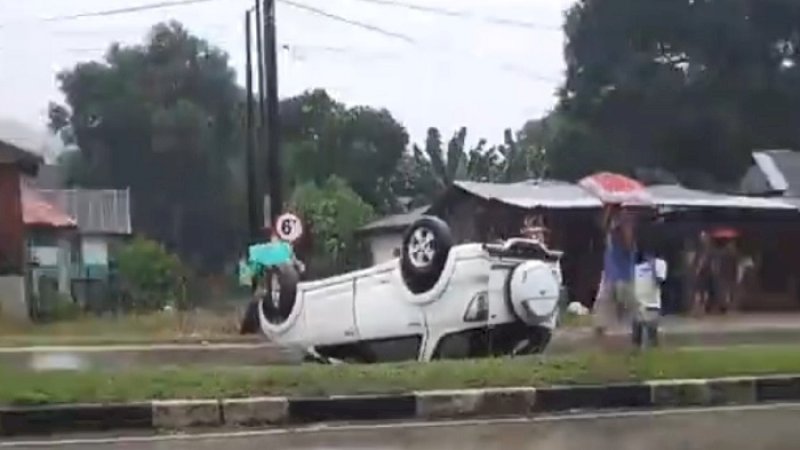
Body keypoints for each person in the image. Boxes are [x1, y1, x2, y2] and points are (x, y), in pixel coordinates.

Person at [592, 205, 638, 340]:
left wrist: (624, 227)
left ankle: (627, 335)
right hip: (610, 274)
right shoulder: (612, 225)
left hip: (622, 275)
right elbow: (603, 226)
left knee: (626, 310)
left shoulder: (624, 224)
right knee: (604, 311)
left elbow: (628, 245)